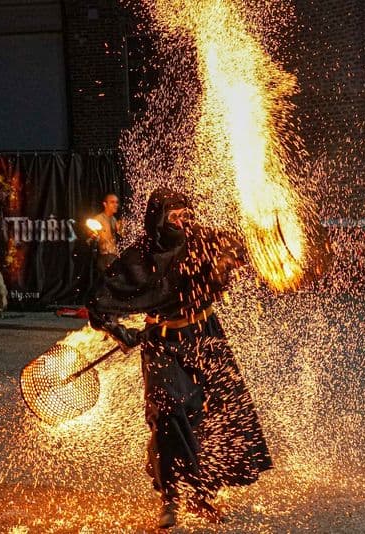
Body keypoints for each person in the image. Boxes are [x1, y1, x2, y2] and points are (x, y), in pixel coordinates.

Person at [87, 188, 272, 529]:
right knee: (167, 413)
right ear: (157, 220)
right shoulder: (140, 256)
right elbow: (100, 301)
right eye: (174, 218)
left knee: (212, 411)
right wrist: (122, 333)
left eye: (186, 216)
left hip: (204, 334)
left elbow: (246, 249)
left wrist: (260, 240)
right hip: (161, 341)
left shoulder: (202, 240)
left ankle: (203, 492)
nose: (182, 223)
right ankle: (171, 496)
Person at [89, 193, 123, 273]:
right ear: (105, 204)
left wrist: (121, 230)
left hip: (114, 256)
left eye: (117, 202)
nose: (115, 205)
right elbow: (90, 239)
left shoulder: (114, 220)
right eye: (112, 202)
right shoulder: (98, 219)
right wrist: (93, 237)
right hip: (104, 258)